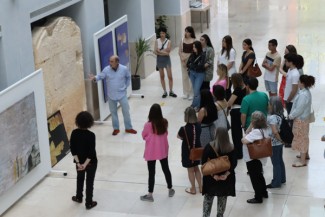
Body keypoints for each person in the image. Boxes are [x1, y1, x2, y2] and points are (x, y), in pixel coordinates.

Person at [90, 55, 137, 136]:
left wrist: (126, 86)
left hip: (122, 94)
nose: (110, 63)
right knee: (113, 113)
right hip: (111, 95)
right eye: (109, 61)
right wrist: (94, 78)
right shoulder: (106, 69)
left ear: (117, 62)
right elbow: (100, 76)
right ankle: (116, 129)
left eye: (112, 61)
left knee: (126, 111)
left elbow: (128, 77)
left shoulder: (124, 69)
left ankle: (128, 128)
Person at [140, 103, 175, 202]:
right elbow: (166, 134)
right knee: (166, 168)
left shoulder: (148, 125)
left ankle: (150, 194)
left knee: (151, 172)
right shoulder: (164, 122)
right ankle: (170, 189)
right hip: (163, 150)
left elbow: (143, 136)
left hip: (151, 152)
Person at [202, 127, 237, 217]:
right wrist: (226, 175)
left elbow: (203, 164)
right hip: (225, 180)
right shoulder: (231, 148)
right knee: (222, 199)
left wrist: (213, 175)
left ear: (216, 134)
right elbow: (233, 164)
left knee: (208, 199)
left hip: (210, 179)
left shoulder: (209, 147)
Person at [70, 111, 98, 210]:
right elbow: (91, 153)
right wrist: (85, 164)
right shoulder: (91, 135)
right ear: (90, 122)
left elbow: (73, 150)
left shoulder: (74, 133)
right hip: (91, 163)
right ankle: (89, 203)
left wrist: (79, 163)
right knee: (90, 182)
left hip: (79, 162)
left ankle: (78, 197)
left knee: (80, 178)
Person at [241, 111, 269, 204]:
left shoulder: (256, 132)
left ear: (255, 121)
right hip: (259, 158)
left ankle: (258, 197)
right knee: (260, 175)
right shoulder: (263, 129)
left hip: (252, 158)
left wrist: (250, 126)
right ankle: (264, 192)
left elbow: (244, 140)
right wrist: (251, 125)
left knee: (254, 178)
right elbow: (248, 132)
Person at [289, 75, 315, 167]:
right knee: (304, 136)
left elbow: (299, 109)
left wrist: (291, 116)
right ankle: (305, 154)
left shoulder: (303, 95)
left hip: (301, 119)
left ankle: (302, 161)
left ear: (302, 83)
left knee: (301, 138)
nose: (298, 83)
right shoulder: (306, 92)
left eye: (299, 82)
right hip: (304, 119)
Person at [177, 107, 202, 194]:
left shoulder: (183, 129)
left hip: (188, 151)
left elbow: (179, 136)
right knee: (197, 168)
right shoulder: (199, 125)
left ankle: (193, 188)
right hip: (197, 150)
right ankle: (201, 187)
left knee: (190, 170)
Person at [266, 96, 286, 188]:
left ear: (273, 106)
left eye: (269, 104)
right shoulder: (280, 115)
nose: (268, 105)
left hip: (273, 143)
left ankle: (276, 182)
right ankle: (282, 178)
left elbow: (274, 131)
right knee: (280, 161)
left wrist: (280, 139)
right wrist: (282, 141)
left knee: (275, 163)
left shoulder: (272, 117)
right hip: (279, 143)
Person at [227, 73, 247, 159]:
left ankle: (238, 153)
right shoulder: (245, 88)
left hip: (235, 112)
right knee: (240, 132)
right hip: (243, 110)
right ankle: (241, 151)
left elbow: (229, 103)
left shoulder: (237, 90)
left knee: (236, 133)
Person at [154, 27, 177, 98]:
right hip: (159, 60)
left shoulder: (168, 41)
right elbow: (155, 51)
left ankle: (171, 91)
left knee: (170, 76)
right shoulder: (157, 41)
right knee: (162, 76)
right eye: (160, 33)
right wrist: (164, 51)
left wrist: (159, 51)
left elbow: (168, 52)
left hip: (167, 60)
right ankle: (164, 91)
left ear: (165, 33)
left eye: (163, 33)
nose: (162, 34)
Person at [187, 41, 206, 110]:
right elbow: (188, 64)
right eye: (193, 47)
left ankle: (197, 105)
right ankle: (194, 104)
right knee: (195, 90)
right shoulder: (192, 54)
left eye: (194, 47)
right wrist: (193, 66)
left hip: (199, 74)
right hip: (192, 73)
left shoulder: (202, 55)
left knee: (196, 90)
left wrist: (192, 66)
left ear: (198, 47)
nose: (193, 48)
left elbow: (200, 66)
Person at [179, 26, 195, 100]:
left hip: (190, 59)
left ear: (191, 33)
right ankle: (186, 93)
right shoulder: (182, 40)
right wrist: (182, 58)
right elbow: (179, 51)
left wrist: (187, 59)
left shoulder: (194, 40)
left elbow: (194, 52)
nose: (186, 33)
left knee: (191, 77)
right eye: (185, 31)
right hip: (183, 59)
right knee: (184, 76)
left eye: (187, 31)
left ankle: (191, 93)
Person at [218, 35, 237, 100]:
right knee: (223, 88)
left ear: (228, 42)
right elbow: (219, 60)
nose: (223, 43)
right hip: (223, 73)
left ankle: (228, 103)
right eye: (222, 41)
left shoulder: (231, 51)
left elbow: (231, 63)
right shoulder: (221, 50)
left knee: (227, 89)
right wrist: (219, 70)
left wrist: (223, 71)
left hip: (229, 74)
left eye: (225, 42)